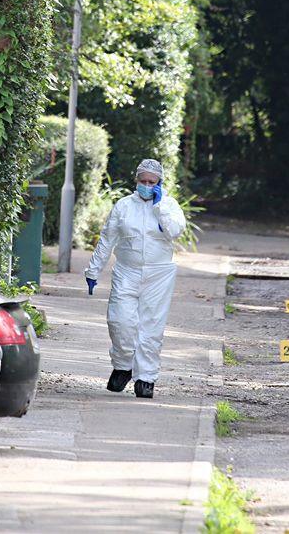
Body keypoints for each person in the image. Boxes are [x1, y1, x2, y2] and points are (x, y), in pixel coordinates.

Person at [84, 159, 187, 398]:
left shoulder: (169, 206)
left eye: (152, 182)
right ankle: (123, 365)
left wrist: (159, 207)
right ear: (136, 180)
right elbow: (107, 239)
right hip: (127, 270)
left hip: (159, 274)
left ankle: (146, 378)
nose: (147, 186)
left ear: (160, 183)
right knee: (119, 321)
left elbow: (174, 231)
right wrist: (93, 270)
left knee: (151, 327)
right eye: (143, 181)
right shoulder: (123, 206)